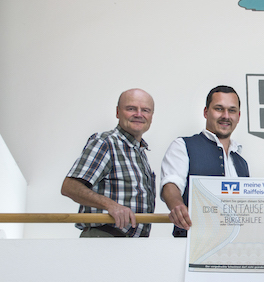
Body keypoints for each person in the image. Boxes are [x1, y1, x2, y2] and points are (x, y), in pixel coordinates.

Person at [61, 88, 156, 237]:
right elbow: (70, 186)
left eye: (145, 110)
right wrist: (110, 205)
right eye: (131, 109)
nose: (139, 114)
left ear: (151, 116)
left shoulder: (139, 152)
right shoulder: (106, 143)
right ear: (118, 112)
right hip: (104, 239)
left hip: (129, 243)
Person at [160, 85, 249, 237]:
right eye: (219, 109)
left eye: (232, 110)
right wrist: (177, 205)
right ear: (206, 112)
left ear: (238, 116)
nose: (226, 116)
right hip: (191, 244)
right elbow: (171, 183)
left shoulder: (242, 163)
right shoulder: (183, 145)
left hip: (233, 246)